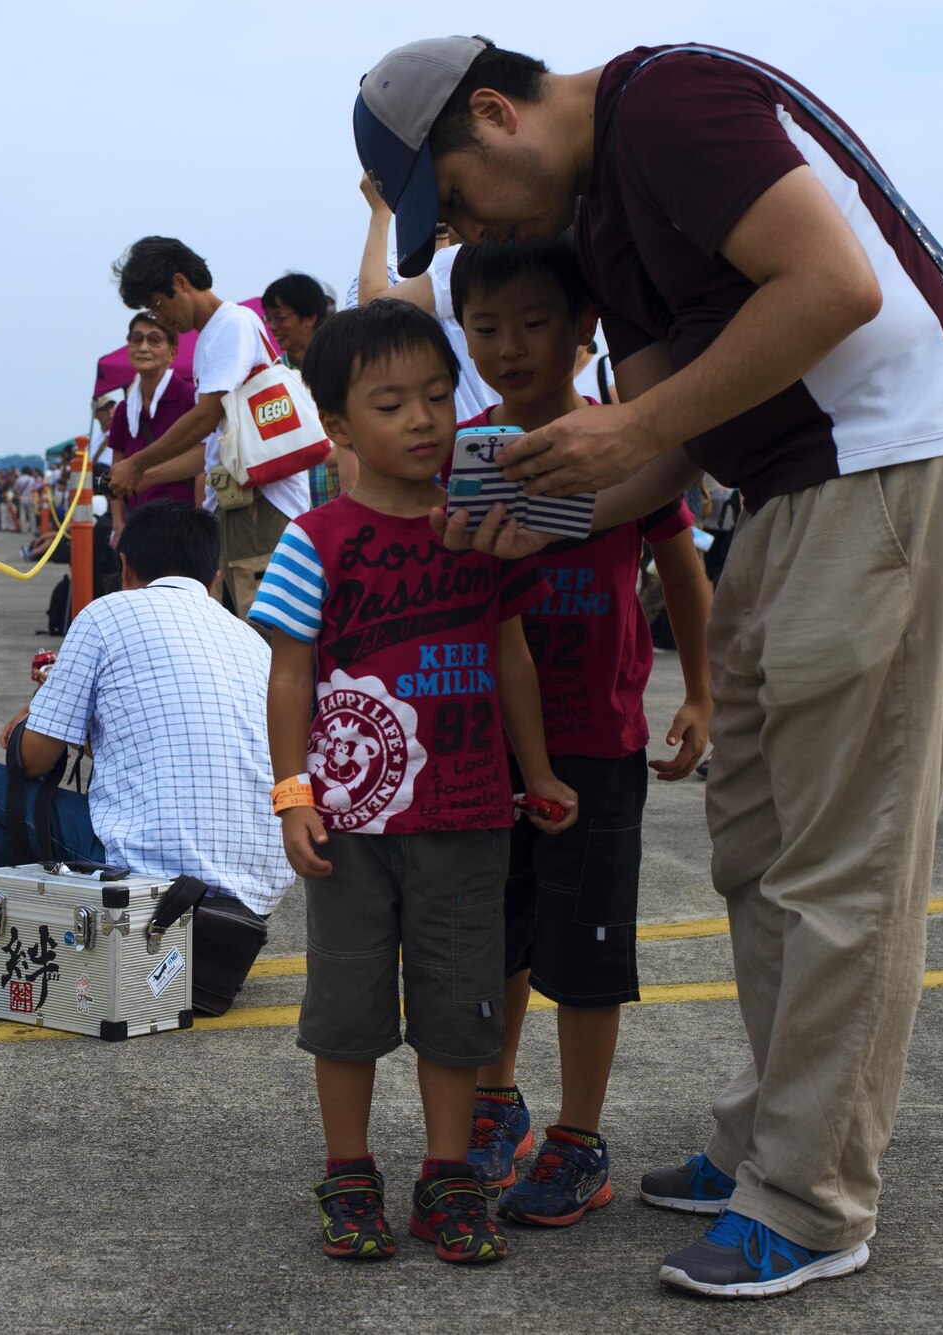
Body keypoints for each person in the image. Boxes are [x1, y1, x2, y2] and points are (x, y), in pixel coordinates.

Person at [354, 36, 943, 1298]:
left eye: (460, 196)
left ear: (495, 115)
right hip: (781, 495)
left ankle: (813, 1201)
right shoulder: (601, 215)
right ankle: (769, 1137)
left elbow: (830, 286)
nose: (474, 230)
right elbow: (659, 453)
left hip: (888, 474)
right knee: (757, 846)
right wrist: (525, 516)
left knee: (843, 864)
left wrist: (627, 427)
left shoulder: (670, 103)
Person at [247, 300, 577, 1267]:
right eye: (391, 404)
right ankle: (348, 1173)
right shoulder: (318, 536)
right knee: (347, 1008)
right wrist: (292, 790)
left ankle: (448, 1179)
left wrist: (540, 769)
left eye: (439, 395)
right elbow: (290, 671)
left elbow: (512, 653)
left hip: (471, 811)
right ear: (341, 429)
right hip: (350, 823)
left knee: (460, 1004)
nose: (425, 419)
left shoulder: (482, 530)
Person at [444, 238, 714, 1227]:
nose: (508, 346)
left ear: (581, 327)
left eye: (532, 323)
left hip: (594, 741)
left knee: (588, 947)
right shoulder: (464, 451)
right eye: (484, 328)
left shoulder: (621, 440)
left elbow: (682, 572)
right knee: (491, 937)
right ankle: (492, 1104)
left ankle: (578, 1139)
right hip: (482, 746)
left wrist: (701, 693)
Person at [0, 500, 293, 917]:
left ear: (125, 566)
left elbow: (33, 761)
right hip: (250, 902)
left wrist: (46, 714)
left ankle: (40, 920)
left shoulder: (106, 613)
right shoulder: (250, 639)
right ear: (214, 578)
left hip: (148, 886)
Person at [105, 237, 314, 615]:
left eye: (157, 304)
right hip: (237, 505)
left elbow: (206, 416)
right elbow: (214, 448)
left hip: (261, 506)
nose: (160, 318)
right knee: (237, 622)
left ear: (181, 282)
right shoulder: (211, 336)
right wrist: (148, 475)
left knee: (263, 630)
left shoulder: (229, 324)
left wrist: (137, 464)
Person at [354, 182, 502, 426]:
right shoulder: (530, 251)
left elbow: (371, 309)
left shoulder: (461, 264)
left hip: (468, 438)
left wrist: (380, 214)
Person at [104, 312, 198, 546]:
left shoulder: (191, 398)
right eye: (136, 339)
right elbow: (116, 472)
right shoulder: (125, 410)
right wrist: (118, 525)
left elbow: (203, 465)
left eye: (154, 340)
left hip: (183, 523)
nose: (143, 347)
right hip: (138, 524)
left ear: (172, 352)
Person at [263, 273, 357, 506]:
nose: (272, 327)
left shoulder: (346, 366)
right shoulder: (271, 377)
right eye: (268, 318)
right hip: (294, 503)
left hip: (347, 495)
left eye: (279, 317)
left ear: (310, 317)